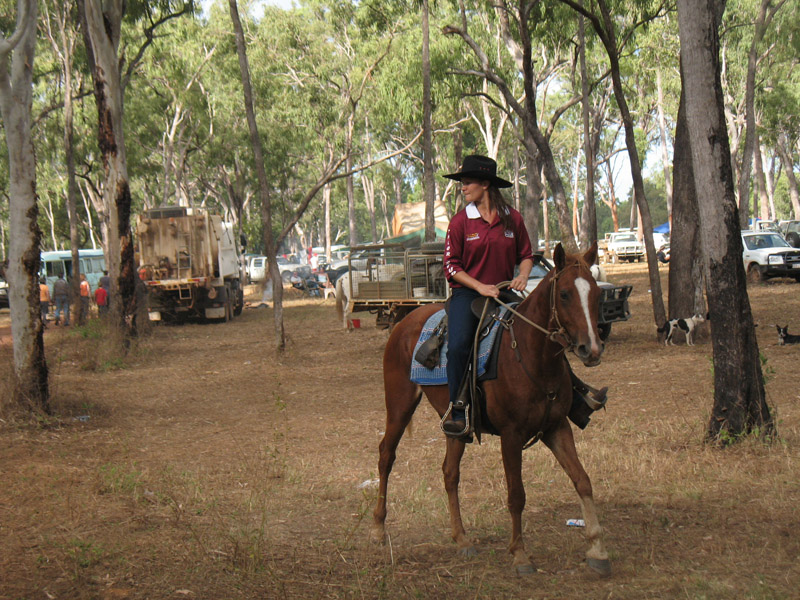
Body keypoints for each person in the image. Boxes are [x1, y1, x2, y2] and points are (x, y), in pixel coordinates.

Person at [441, 155, 534, 438]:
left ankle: (575, 394)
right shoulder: (460, 222)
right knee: (458, 346)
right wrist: (480, 286)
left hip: (504, 292)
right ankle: (458, 409)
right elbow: (451, 266)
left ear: (485, 184)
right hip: (468, 295)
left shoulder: (512, 218)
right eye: (462, 182)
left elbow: (526, 255)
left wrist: (523, 276)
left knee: (539, 330)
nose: (463, 187)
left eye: (467, 182)